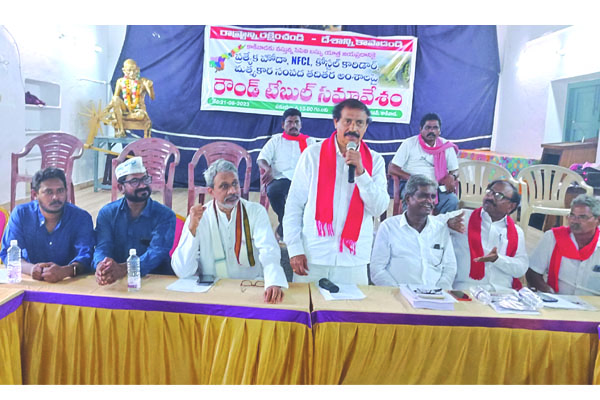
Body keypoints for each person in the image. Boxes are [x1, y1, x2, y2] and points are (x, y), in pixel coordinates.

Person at [283, 99, 389, 285]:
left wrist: (361, 173)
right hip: (313, 256)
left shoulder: (375, 161)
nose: (353, 128)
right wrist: (294, 249)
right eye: (347, 121)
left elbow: (378, 208)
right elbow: (294, 205)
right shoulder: (312, 155)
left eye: (359, 123)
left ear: (366, 127)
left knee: (352, 305)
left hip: (353, 260)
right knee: (307, 304)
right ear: (335, 122)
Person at [171, 159, 288, 304]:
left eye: (235, 184)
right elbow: (183, 272)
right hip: (212, 293)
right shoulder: (199, 217)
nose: (232, 191)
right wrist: (192, 231)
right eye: (224, 186)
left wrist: (273, 281)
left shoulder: (255, 212)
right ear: (211, 191)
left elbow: (268, 250)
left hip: (251, 288)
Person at [0, 167, 94, 282]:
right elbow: (8, 253)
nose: (56, 197)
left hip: (70, 281)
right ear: (35, 194)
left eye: (60, 191)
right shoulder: (21, 214)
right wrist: (31, 269)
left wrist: (66, 271)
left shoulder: (81, 218)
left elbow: (87, 255)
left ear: (66, 191)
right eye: (49, 192)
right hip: (32, 281)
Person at [94, 156, 175, 285]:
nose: (143, 185)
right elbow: (102, 246)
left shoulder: (165, 215)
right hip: (116, 280)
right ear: (121, 188)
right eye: (135, 181)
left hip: (156, 279)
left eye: (145, 179)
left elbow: (157, 252)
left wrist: (124, 268)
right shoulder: (107, 213)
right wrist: (101, 266)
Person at [370, 175, 456, 288]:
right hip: (398, 295)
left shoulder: (440, 229)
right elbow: (377, 269)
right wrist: (398, 292)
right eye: (423, 196)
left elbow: (450, 267)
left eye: (432, 197)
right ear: (408, 198)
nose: (429, 201)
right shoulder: (388, 227)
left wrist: (438, 291)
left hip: (436, 295)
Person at [442, 180, 528, 291]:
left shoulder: (517, 232)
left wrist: (497, 259)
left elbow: (521, 268)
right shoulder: (462, 217)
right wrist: (446, 224)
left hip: (502, 292)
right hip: (466, 290)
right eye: (489, 192)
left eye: (498, 196)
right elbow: (430, 224)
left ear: (511, 206)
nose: (490, 197)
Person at [257, 108, 316, 240]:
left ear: (301, 125)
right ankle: (287, 223)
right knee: (273, 191)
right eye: (289, 122)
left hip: (303, 180)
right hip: (281, 178)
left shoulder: (310, 142)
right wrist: (268, 169)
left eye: (296, 122)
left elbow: (316, 162)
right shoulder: (275, 140)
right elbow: (262, 158)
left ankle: (284, 228)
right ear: (283, 125)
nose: (293, 125)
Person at [526, 194, 600, 295]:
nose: (574, 221)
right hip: (558, 299)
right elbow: (533, 273)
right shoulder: (553, 237)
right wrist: (549, 293)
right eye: (572, 215)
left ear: (598, 220)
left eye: (582, 217)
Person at [388, 112, 459, 214]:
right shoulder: (409, 143)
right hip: (413, 185)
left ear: (439, 131)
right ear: (421, 129)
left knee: (452, 200)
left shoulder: (446, 146)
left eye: (435, 128)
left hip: (437, 186)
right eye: (428, 128)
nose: (431, 131)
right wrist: (413, 179)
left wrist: (452, 176)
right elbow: (392, 168)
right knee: (413, 199)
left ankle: (440, 224)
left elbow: (455, 170)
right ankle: (411, 224)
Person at [103, 58, 155, 137]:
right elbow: (115, 98)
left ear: (138, 69)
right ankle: (121, 130)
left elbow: (152, 97)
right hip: (125, 109)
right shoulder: (120, 81)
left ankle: (117, 116)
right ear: (124, 71)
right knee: (116, 99)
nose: (132, 73)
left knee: (139, 115)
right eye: (129, 70)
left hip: (138, 111)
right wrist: (107, 109)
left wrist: (150, 87)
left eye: (134, 70)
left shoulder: (143, 81)